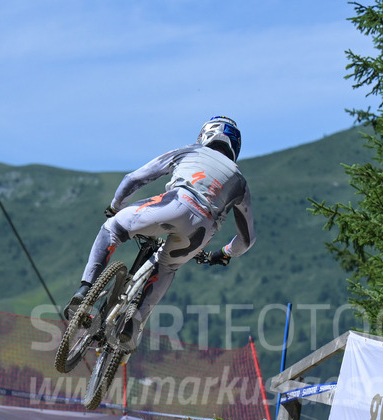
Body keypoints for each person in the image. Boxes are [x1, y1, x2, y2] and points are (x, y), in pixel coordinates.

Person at [64, 116, 255, 348]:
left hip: (173, 204)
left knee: (113, 228)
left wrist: (116, 205)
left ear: (204, 135)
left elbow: (134, 179)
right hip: (201, 230)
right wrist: (225, 252)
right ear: (235, 146)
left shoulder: (190, 151)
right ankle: (132, 327)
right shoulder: (240, 181)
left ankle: (85, 290)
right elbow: (246, 239)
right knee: (167, 266)